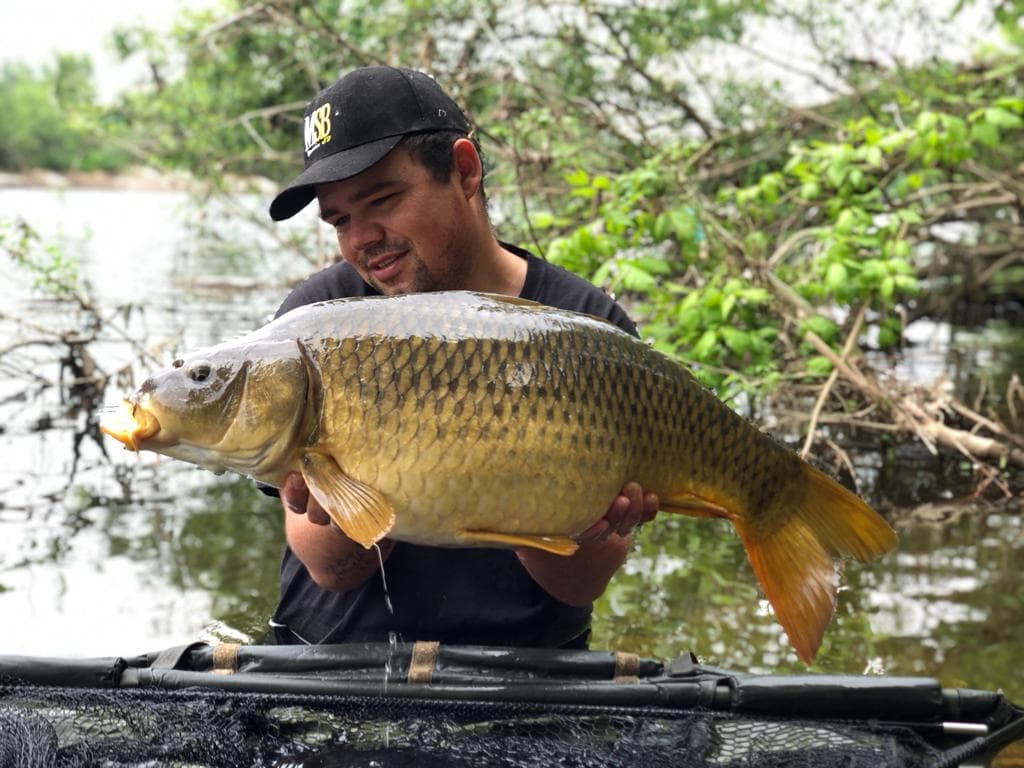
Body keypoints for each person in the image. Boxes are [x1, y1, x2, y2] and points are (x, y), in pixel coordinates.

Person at [265, 66, 658, 649]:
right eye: (341, 220)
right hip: (335, 667)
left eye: (382, 199)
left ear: (465, 171)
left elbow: (579, 586)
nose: (362, 239)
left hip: (526, 680)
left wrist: (550, 500)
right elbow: (327, 568)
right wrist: (386, 468)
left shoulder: (585, 327)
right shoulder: (317, 321)